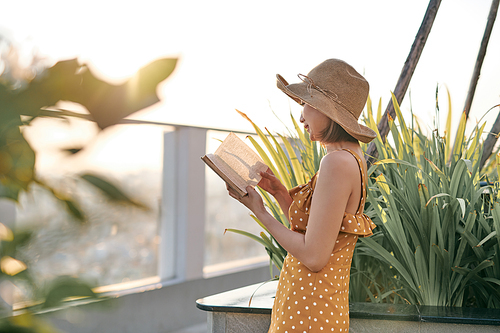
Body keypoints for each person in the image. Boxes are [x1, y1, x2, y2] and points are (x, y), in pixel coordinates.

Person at [226, 59, 377, 332]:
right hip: (315, 308)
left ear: (327, 110)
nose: (301, 117)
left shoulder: (336, 163)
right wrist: (279, 193)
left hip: (309, 313)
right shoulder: (350, 157)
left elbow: (314, 256)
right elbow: (319, 232)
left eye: (306, 104)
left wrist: (260, 212)